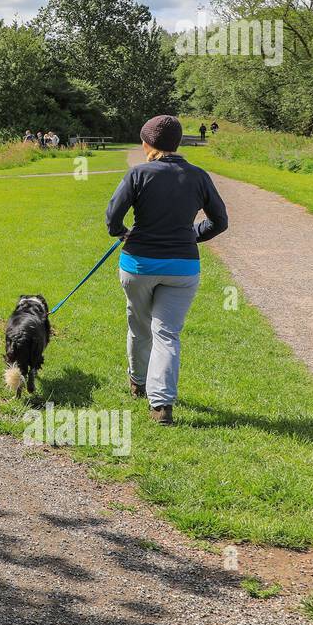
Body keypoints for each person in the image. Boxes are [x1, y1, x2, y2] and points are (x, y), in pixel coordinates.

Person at [104, 115, 228, 425]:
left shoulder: (138, 174)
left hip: (139, 264)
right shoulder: (199, 176)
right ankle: (161, 405)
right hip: (182, 267)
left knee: (139, 327)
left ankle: (139, 381)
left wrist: (122, 232)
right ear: (178, 143)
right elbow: (220, 221)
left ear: (147, 144)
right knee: (167, 334)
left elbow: (112, 218)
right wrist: (192, 234)